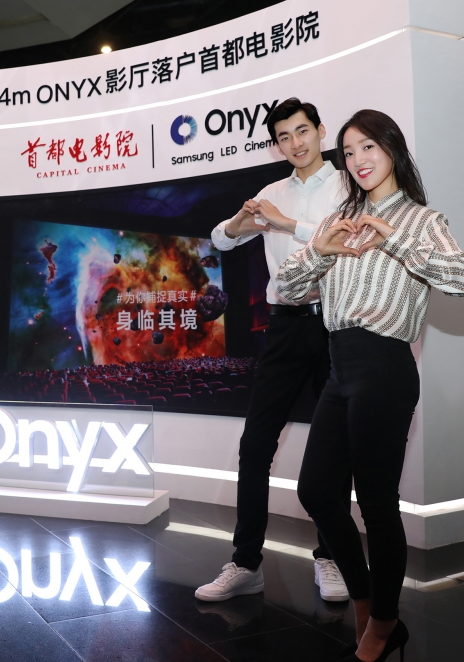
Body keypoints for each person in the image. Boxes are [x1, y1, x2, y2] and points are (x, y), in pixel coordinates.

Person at [276, 109, 464, 662]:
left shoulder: (420, 219)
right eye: (349, 152)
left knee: (376, 503)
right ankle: (369, 602)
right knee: (317, 492)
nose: (359, 159)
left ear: (391, 148)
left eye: (368, 146)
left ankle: (384, 624)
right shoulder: (340, 219)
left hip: (385, 366)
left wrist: (396, 240)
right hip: (339, 366)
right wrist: (321, 251)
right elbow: (285, 285)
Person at [195, 99, 351, 604]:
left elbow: (342, 240)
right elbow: (219, 239)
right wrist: (242, 223)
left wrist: (285, 224)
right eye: (284, 136)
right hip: (284, 326)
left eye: (302, 131)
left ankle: (332, 557)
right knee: (256, 444)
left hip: (335, 324)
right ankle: (245, 563)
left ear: (321, 130)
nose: (295, 143)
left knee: (336, 448)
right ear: (276, 144)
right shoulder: (270, 193)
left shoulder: (347, 184)